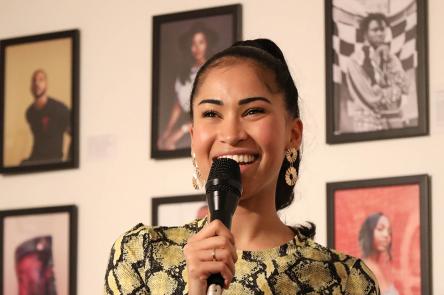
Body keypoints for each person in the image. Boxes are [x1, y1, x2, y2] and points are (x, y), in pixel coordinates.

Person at [105, 39, 380, 294]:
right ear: (192, 138)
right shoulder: (141, 255)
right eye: (211, 113)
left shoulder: (347, 280)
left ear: (293, 134)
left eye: (253, 111)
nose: (231, 133)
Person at [157, 23, 217, 150]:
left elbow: (213, 110)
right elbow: (178, 105)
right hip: (187, 124)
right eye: (193, 44)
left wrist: (182, 129)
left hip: (207, 125)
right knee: (163, 144)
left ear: (207, 43)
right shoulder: (184, 73)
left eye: (201, 42)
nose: (197, 48)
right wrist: (168, 130)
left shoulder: (213, 71)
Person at [346, 13, 409, 132]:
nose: (380, 34)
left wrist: (389, 61)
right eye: (375, 30)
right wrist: (395, 91)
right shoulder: (355, 61)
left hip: (394, 122)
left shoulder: (391, 58)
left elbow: (406, 87)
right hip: (368, 123)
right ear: (365, 34)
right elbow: (371, 97)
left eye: (382, 29)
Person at [21, 69, 71, 166]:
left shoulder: (60, 109)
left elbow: (74, 135)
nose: (37, 83)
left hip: (53, 162)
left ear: (46, 84)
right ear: (31, 86)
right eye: (34, 80)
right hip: (35, 160)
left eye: (41, 80)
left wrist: (68, 161)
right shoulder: (29, 112)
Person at [359, 212, 399, 295]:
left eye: (389, 231)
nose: (386, 235)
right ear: (369, 233)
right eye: (380, 229)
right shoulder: (364, 269)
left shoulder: (382, 267)